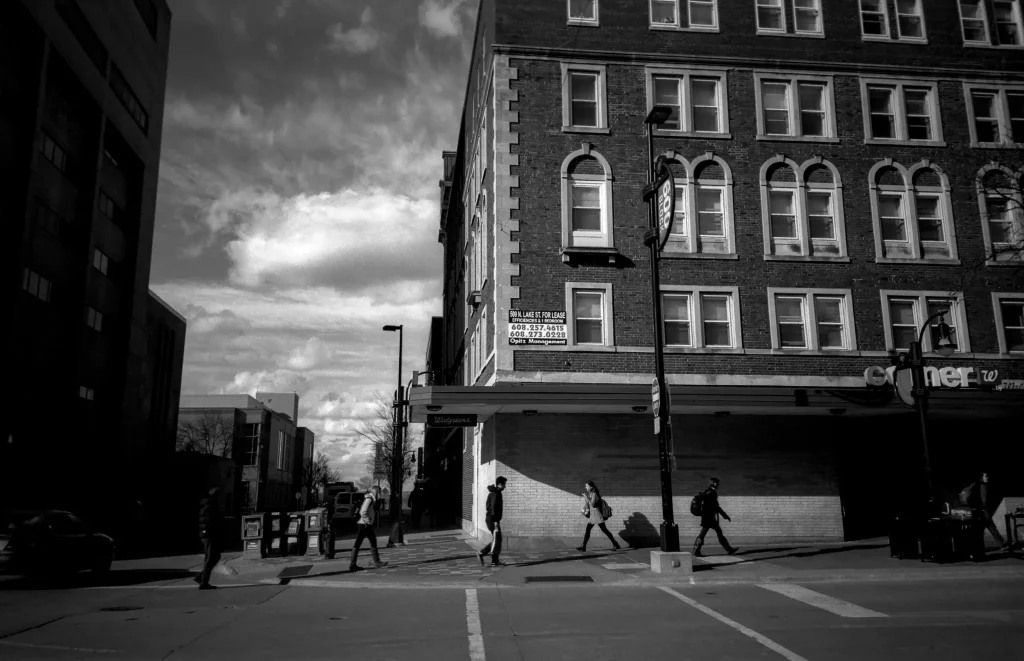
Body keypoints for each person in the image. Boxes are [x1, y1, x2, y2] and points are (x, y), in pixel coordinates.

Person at [963, 472, 1010, 552]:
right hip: (982, 511)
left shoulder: (979, 485)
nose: (987, 478)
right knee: (990, 527)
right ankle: (1000, 545)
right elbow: (981, 499)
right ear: (982, 477)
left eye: (988, 476)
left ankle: (979, 547)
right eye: (986, 476)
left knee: (987, 528)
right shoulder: (980, 486)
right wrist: (980, 507)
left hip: (980, 510)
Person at [693, 477, 738, 558]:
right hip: (709, 517)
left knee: (712, 532)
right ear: (714, 483)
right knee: (710, 533)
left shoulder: (707, 491)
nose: (718, 485)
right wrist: (725, 516)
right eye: (717, 483)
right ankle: (728, 549)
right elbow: (716, 506)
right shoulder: (712, 493)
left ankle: (697, 550)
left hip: (707, 517)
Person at [350, 486, 388, 572]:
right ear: (376, 491)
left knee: (358, 544)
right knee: (372, 541)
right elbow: (363, 512)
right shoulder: (369, 499)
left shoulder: (369, 498)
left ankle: (352, 564)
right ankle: (377, 562)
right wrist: (368, 521)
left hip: (362, 524)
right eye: (379, 492)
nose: (380, 495)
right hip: (365, 524)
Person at [576, 480, 621, 552]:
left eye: (587, 486)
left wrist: (586, 497)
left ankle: (615, 544)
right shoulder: (591, 493)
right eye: (586, 486)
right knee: (591, 530)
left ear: (591, 487)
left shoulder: (594, 494)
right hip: (593, 516)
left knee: (603, 530)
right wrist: (586, 497)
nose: (586, 487)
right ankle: (583, 546)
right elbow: (589, 503)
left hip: (596, 516)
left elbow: (592, 504)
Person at [477, 476, 507, 567]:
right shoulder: (496, 493)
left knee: (497, 539)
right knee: (497, 539)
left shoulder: (495, 492)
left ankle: (495, 561)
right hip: (493, 519)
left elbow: (489, 506)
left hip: (492, 519)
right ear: (500, 484)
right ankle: (482, 553)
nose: (505, 486)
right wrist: (495, 520)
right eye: (504, 484)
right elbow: (493, 506)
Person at [196, 487, 222, 590]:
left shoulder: (207, 503)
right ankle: (203, 582)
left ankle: (201, 577)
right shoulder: (210, 504)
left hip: (206, 534)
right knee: (211, 557)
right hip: (209, 534)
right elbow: (210, 520)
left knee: (213, 556)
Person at [323, 494, 336, 559]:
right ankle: (329, 553)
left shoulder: (327, 508)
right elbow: (329, 517)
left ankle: (329, 553)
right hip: (330, 525)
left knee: (329, 538)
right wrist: (329, 525)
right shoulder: (330, 508)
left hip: (329, 524)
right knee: (330, 538)